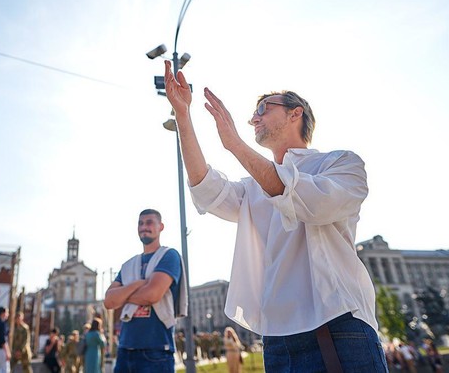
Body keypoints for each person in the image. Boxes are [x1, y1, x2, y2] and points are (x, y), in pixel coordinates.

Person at [163, 60, 388, 373]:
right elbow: (206, 189)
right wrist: (183, 117)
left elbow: (312, 203)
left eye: (263, 108)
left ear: (296, 113)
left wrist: (235, 145)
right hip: (276, 339)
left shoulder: (340, 164)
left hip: (338, 325)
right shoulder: (253, 187)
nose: (253, 118)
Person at [103, 208, 189, 373]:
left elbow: (152, 295)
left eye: (149, 222)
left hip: (156, 350)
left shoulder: (169, 255)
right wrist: (138, 284)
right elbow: (109, 301)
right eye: (140, 223)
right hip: (125, 349)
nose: (144, 227)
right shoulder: (128, 265)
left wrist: (122, 295)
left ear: (161, 227)